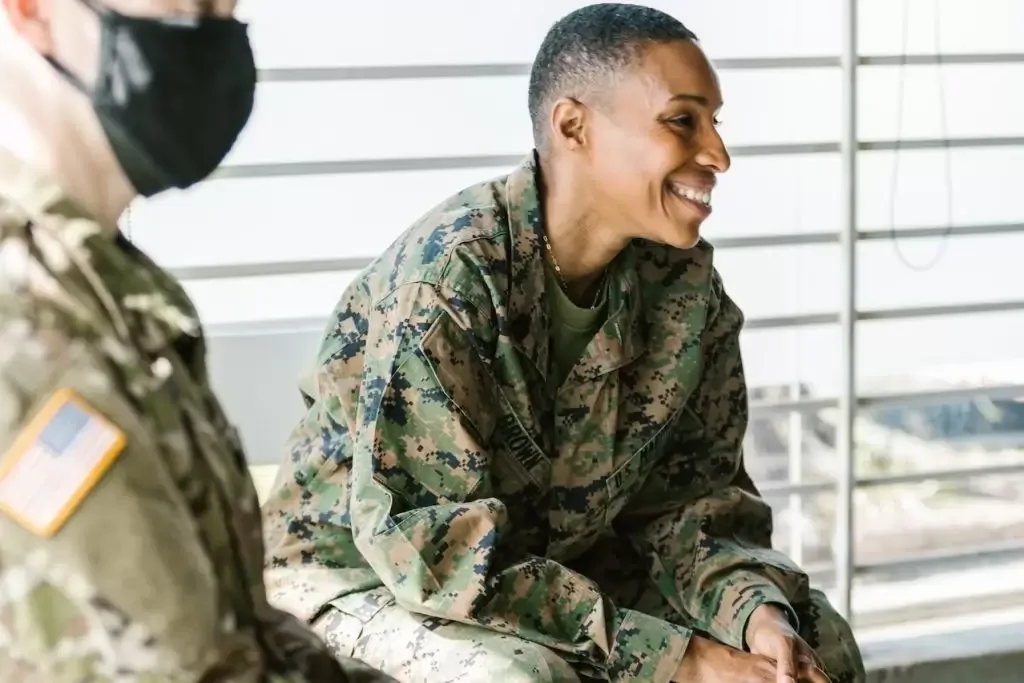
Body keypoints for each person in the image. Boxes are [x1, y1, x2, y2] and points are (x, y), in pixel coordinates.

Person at [262, 4, 866, 683]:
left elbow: (693, 507)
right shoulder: (450, 279)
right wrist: (678, 658)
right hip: (362, 574)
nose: (718, 155)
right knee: (519, 679)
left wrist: (755, 614)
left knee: (816, 640)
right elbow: (434, 552)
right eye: (681, 121)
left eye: (716, 123)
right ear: (574, 126)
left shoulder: (685, 290)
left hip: (553, 567)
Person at [0, 1, 396, 681]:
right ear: (33, 11)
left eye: (226, 3)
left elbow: (239, 622)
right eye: (183, 3)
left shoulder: (106, 283)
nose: (211, 33)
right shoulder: (26, 319)